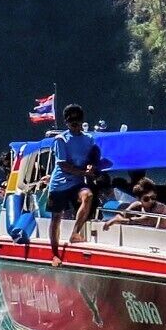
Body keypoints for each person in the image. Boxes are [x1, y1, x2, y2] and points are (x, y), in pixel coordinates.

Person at [47, 105, 101, 258]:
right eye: (72, 123)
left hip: (77, 183)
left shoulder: (89, 139)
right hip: (59, 184)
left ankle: (75, 233)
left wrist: (91, 167)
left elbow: (92, 158)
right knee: (56, 217)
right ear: (67, 123)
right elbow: (63, 165)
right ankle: (55, 254)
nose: (75, 125)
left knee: (88, 196)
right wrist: (84, 172)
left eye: (77, 122)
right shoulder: (61, 139)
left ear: (82, 121)